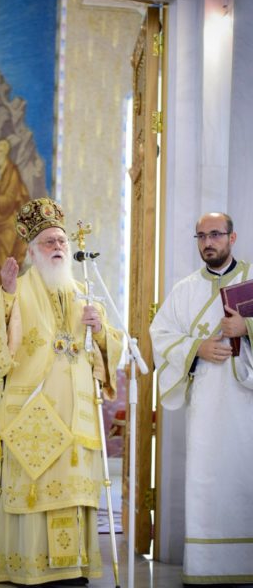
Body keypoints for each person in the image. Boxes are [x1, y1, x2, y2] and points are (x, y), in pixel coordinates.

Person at [0, 197, 122, 586]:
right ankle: (31, 567)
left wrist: (100, 330)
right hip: (33, 412)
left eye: (61, 240)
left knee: (73, 491)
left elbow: (111, 349)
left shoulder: (84, 292)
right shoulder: (18, 289)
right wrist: (6, 295)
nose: (57, 246)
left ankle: (72, 567)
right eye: (48, 242)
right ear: (31, 252)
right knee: (35, 488)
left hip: (76, 416)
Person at [150, 212, 253, 585]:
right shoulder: (185, 290)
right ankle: (206, 567)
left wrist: (246, 326)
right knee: (206, 481)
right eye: (201, 236)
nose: (208, 242)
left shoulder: (251, 281)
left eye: (215, 234)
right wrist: (197, 348)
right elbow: (160, 334)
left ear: (232, 237)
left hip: (247, 405)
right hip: (207, 404)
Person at [0, 138, 30, 290]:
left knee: (4, 262)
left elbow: (9, 200)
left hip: (7, 225)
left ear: (6, 152)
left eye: (1, 151)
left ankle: (6, 296)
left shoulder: (12, 172)